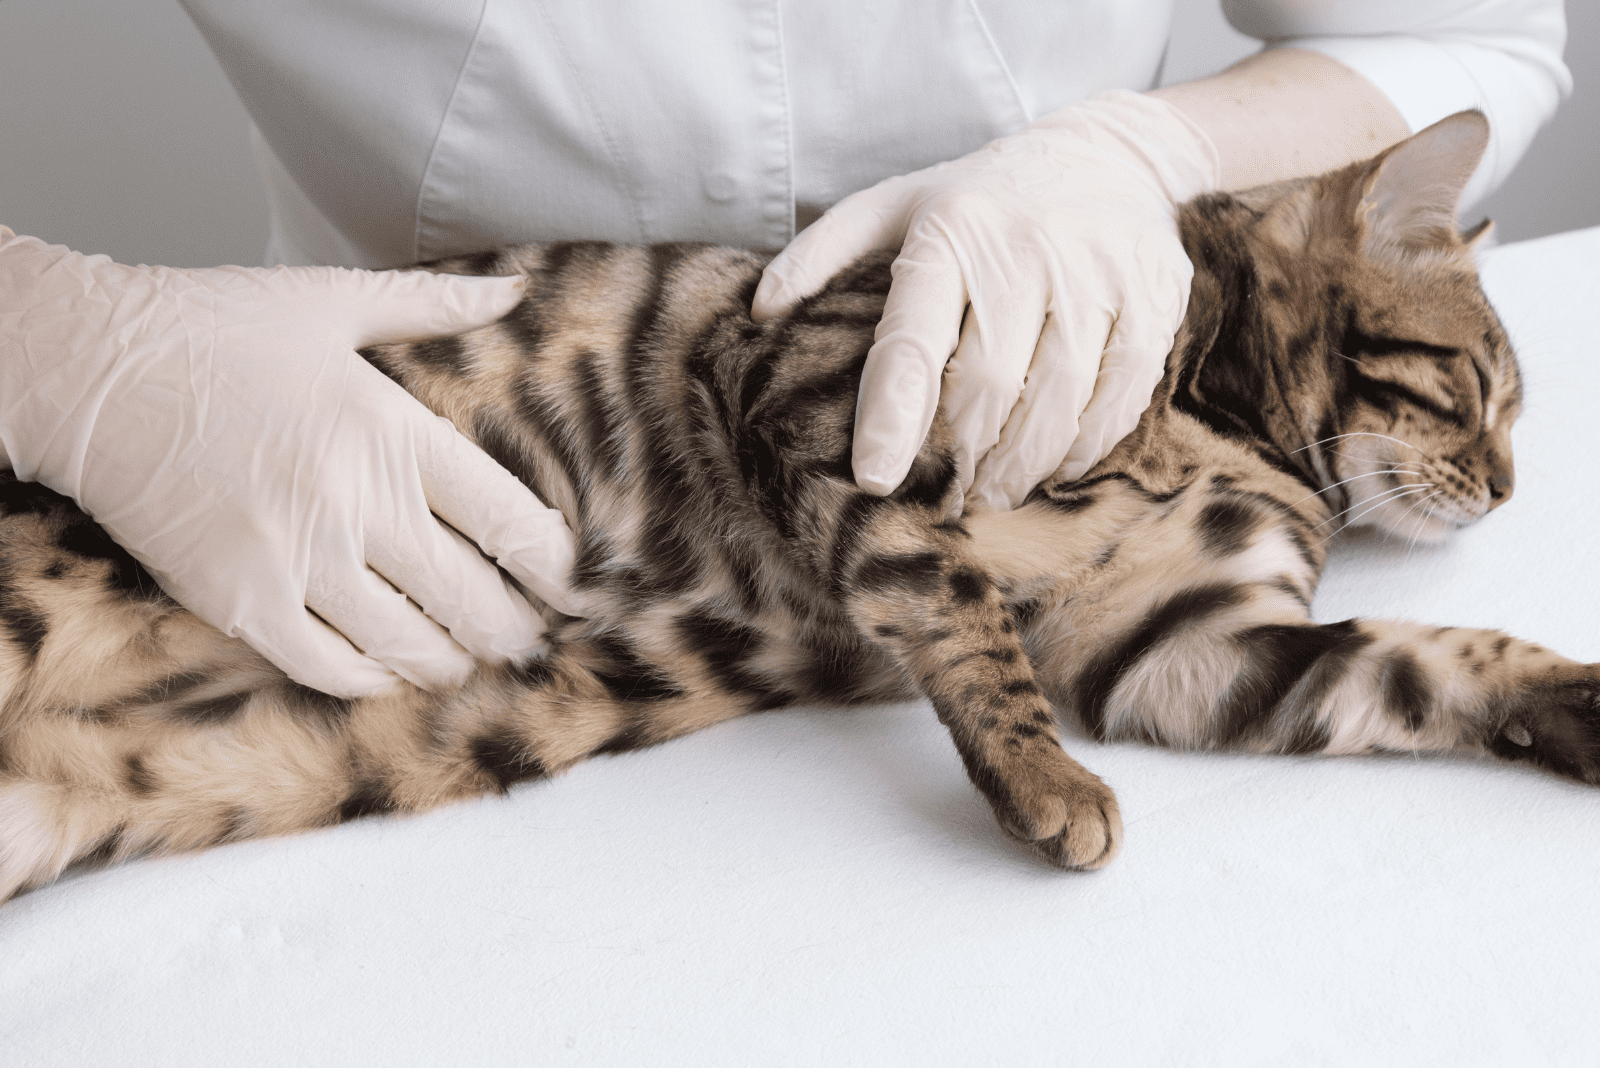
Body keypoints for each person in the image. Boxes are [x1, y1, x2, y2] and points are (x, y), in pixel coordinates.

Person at [0, 0, 1570, 700]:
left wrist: (1139, 149)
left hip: (1036, 516)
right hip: (354, 507)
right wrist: (71, 341)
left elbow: (1464, 32)